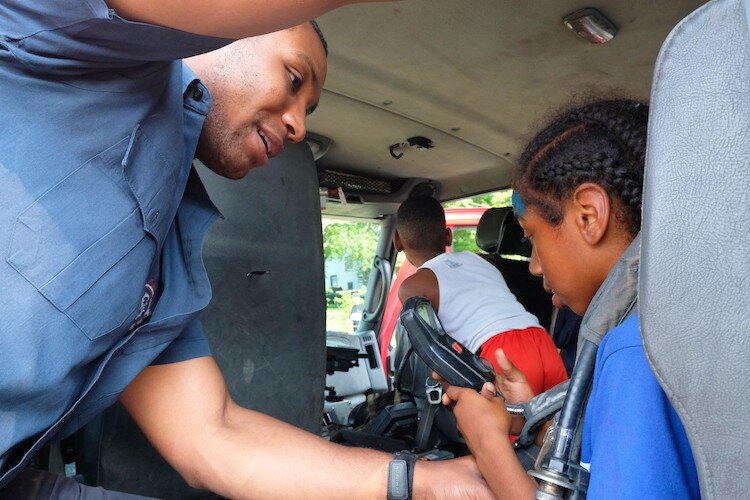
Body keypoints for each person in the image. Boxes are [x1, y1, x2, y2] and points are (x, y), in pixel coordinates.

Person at [0, 1, 493, 498]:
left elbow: (213, 434)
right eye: (294, 79)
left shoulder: (163, 259)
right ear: (227, 30)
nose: (298, 125)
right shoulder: (76, 46)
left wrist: (423, 481)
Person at [440, 100, 700, 499]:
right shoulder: (674, 321)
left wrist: (486, 443)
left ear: (588, 216)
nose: (534, 267)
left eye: (532, 238)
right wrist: (527, 416)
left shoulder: (633, 351)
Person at [394, 196, 568, 396]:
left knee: (502, 427)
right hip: (541, 340)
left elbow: (433, 351)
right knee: (558, 424)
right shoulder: (480, 261)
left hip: (502, 354)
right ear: (448, 236)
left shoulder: (412, 287)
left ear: (397, 241)